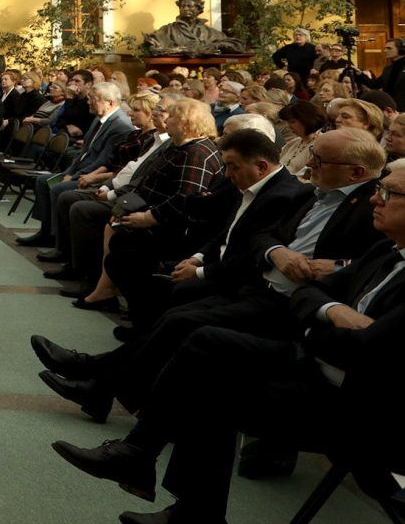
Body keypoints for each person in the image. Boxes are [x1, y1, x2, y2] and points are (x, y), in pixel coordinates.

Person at [49, 161, 405, 524]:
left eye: (391, 193)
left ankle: (164, 482)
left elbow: (365, 349)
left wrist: (315, 325)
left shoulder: (374, 241)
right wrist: (333, 311)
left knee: (206, 379)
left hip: (363, 407)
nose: (376, 198)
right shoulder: (387, 250)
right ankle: (139, 453)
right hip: (314, 360)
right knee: (203, 342)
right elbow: (308, 293)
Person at [34, 126, 317, 423]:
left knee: (177, 315)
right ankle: (97, 379)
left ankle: (96, 378)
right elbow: (224, 236)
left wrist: (201, 271)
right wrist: (196, 258)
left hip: (244, 285)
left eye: (232, 166)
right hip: (221, 270)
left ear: (260, 166)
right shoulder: (253, 186)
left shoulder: (281, 196)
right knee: (157, 293)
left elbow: (249, 257)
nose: (227, 173)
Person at [99, 97, 226, 327]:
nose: (166, 120)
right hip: (158, 219)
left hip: (175, 230)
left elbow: (185, 199)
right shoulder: (180, 147)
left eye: (173, 116)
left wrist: (148, 218)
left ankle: (144, 319)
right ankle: (140, 315)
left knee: (122, 253)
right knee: (119, 242)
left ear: (186, 123)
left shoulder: (196, 152)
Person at [17, 82, 133, 248]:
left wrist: (74, 177)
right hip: (80, 171)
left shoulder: (121, 126)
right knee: (42, 181)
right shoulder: (99, 119)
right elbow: (83, 153)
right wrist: (69, 172)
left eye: (93, 99)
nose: (88, 102)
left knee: (58, 188)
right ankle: (46, 232)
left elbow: (103, 161)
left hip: (94, 177)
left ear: (110, 103)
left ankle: (60, 242)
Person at [143, 0, 247, 57]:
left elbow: (239, 46)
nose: (185, 9)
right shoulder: (167, 30)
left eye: (189, 6)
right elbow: (154, 50)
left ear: (198, 9)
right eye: (183, 6)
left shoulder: (210, 32)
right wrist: (183, 50)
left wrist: (215, 45)